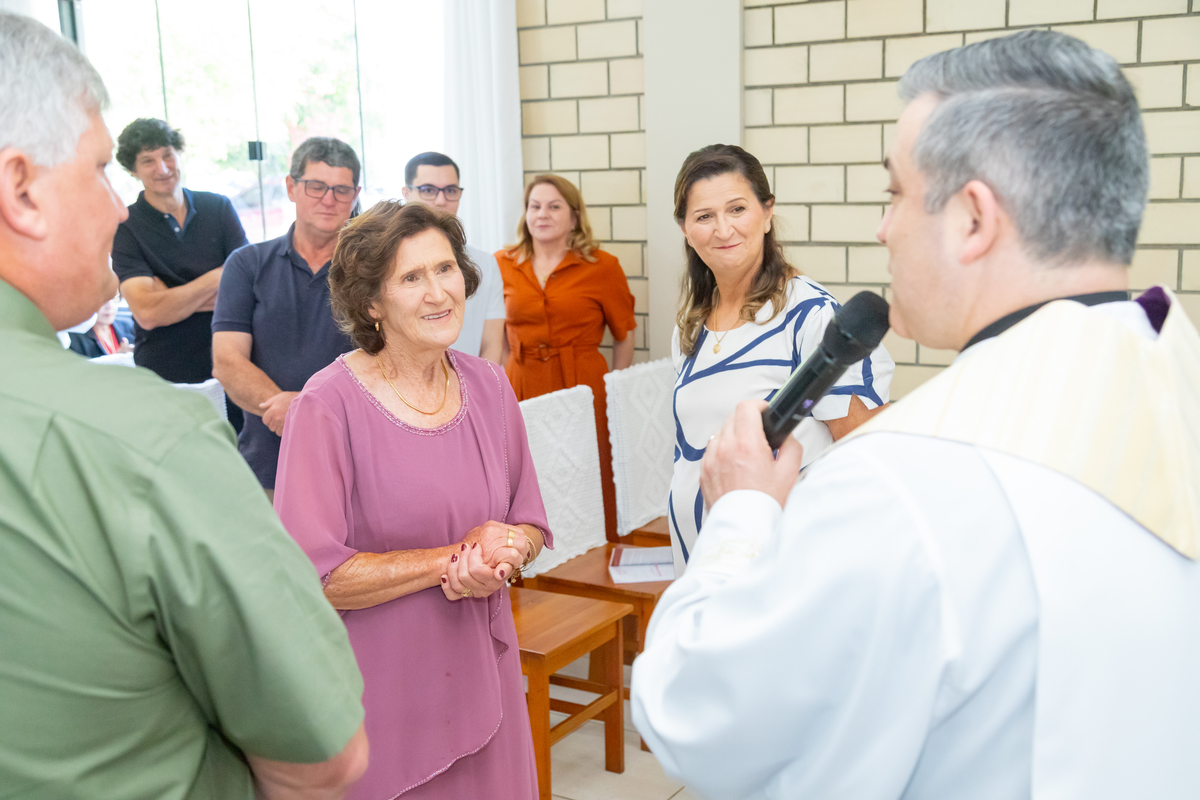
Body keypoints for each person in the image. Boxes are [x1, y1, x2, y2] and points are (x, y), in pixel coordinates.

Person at [631, 30, 1200, 800]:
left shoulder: (901, 484)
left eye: (895, 193)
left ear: (973, 218)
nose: (883, 228)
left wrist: (737, 517)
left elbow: (693, 713)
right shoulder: (1166, 380)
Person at [0, 13, 367, 799]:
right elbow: (322, 746)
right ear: (20, 189)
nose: (115, 209)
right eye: (100, 172)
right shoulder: (144, 439)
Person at [275, 201, 550, 799]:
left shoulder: (490, 385)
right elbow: (312, 577)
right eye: (411, 277)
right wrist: (452, 561)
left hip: (483, 668)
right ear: (372, 303)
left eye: (445, 269)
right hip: (386, 685)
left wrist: (506, 550)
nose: (438, 293)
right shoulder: (326, 406)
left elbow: (528, 523)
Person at [667, 144, 894, 575]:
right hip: (701, 563)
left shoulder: (810, 315)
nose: (723, 229)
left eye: (737, 209)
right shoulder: (692, 324)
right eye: (704, 216)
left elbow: (861, 450)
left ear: (767, 213)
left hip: (777, 566)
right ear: (685, 229)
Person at [212, 137, 360, 498]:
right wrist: (295, 414)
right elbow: (227, 361)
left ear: (355, 195)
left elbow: (389, 364)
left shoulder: (372, 272)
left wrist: (305, 412)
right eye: (316, 186)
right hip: (267, 468)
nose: (329, 199)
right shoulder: (247, 264)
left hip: (355, 468)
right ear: (292, 187)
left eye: (341, 190)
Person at [497, 174, 636, 541]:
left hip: (583, 384)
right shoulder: (502, 264)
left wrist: (615, 392)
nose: (542, 214)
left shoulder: (602, 266)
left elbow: (624, 337)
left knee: (588, 472)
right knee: (527, 476)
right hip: (521, 383)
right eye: (535, 206)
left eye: (554, 206)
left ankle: (598, 550)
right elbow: (496, 337)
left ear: (574, 217)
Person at [111, 117, 248, 429]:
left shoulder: (218, 207)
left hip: (232, 362)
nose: (162, 168)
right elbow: (147, 313)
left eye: (167, 155)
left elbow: (248, 289)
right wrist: (218, 277)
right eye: (148, 161)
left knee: (240, 454)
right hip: (166, 372)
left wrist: (169, 297)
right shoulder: (126, 226)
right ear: (133, 170)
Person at [401, 151, 505, 364]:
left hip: (470, 380)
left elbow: (492, 345)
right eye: (428, 190)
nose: (441, 201)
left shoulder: (484, 263)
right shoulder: (389, 261)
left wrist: (482, 383)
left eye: (450, 190)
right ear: (407, 193)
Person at [67, 292, 133, 357]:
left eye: (114, 298)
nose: (110, 306)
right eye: (103, 300)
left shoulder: (130, 327)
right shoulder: (74, 337)